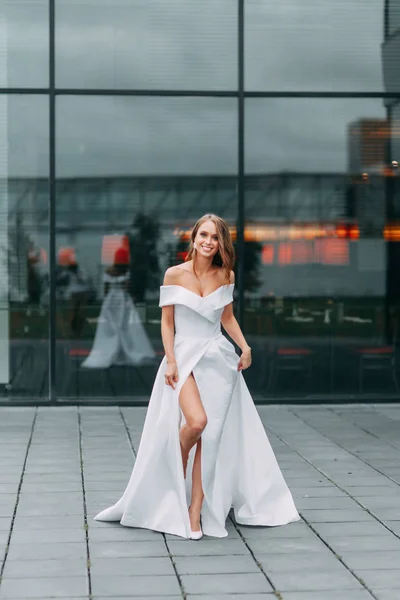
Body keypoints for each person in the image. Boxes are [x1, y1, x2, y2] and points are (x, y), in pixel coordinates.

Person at [94, 214, 300, 539]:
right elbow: (166, 323)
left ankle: (194, 510)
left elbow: (227, 317)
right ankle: (174, 459)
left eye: (215, 237)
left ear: (221, 244)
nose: (208, 241)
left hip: (218, 359)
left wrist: (244, 347)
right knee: (197, 422)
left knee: (212, 436)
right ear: (193, 238)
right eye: (203, 235)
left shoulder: (225, 275)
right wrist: (171, 360)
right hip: (184, 357)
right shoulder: (174, 274)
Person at [82, 247, 155, 368]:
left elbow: (106, 289)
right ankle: (125, 348)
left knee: (111, 325)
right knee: (126, 325)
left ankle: (114, 349)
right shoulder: (126, 272)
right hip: (122, 299)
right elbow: (126, 287)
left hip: (111, 299)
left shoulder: (108, 271)